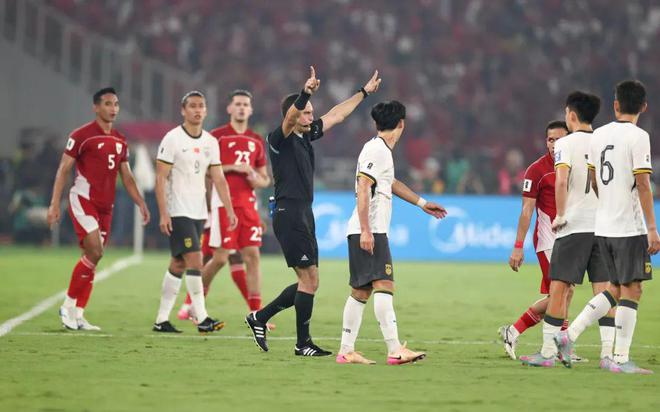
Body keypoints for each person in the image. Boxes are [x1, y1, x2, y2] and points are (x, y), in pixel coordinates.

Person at [244, 67, 381, 356]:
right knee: (309, 281)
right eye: (306, 113)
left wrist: (364, 92)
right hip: (289, 212)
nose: (311, 117)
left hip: (304, 212)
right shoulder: (278, 140)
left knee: (309, 281)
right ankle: (302, 343)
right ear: (293, 115)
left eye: (311, 113)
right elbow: (290, 118)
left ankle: (260, 318)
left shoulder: (306, 136)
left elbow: (336, 115)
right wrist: (305, 92)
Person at [554, 80, 659, 374]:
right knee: (633, 289)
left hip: (604, 226)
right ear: (644, 107)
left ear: (616, 105)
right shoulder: (639, 137)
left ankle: (568, 335)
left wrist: (609, 204)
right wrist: (652, 228)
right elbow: (643, 184)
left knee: (614, 288)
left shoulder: (598, 135)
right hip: (628, 227)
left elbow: (594, 180)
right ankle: (621, 359)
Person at [336, 101, 447, 365]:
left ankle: (346, 350)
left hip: (365, 229)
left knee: (360, 292)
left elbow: (390, 182)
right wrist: (366, 230)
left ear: (377, 123)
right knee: (384, 285)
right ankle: (395, 349)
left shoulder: (380, 150)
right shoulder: (377, 150)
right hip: (370, 230)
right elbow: (364, 186)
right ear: (401, 124)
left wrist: (422, 203)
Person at [521, 91, 614, 367]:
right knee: (604, 291)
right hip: (602, 226)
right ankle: (608, 355)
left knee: (559, 288)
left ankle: (548, 353)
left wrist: (561, 214)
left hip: (574, 226)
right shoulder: (604, 141)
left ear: (571, 115)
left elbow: (561, 181)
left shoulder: (565, 143)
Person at [47, 87, 150, 331]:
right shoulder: (81, 135)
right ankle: (67, 305)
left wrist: (140, 202)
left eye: (116, 104)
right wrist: (54, 203)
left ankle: (79, 314)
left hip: (106, 206)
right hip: (84, 200)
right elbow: (64, 169)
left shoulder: (120, 140)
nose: (113, 108)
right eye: (107, 104)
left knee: (93, 257)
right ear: (96, 107)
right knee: (95, 251)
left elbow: (127, 176)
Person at [177, 90, 270, 322]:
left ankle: (256, 314)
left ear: (250, 110)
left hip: (248, 207)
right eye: (237, 104)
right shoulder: (216, 137)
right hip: (222, 205)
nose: (241, 108)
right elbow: (205, 169)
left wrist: (256, 180)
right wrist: (233, 168)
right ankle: (193, 302)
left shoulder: (256, 140)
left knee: (253, 256)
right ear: (229, 108)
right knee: (219, 258)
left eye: (245, 104)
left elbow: (265, 178)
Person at [152, 91, 237, 333]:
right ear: (183, 110)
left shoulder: (210, 142)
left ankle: (161, 320)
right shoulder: (172, 139)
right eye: (192, 106)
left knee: (178, 264)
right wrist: (164, 213)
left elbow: (218, 178)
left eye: (201, 106)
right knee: (196, 260)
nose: (197, 110)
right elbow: (160, 178)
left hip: (199, 212)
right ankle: (201, 318)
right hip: (178, 210)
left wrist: (229, 209)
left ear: (206, 110)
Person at [498, 121, 569, 359]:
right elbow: (527, 210)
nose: (554, 144)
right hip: (548, 240)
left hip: (571, 239)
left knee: (563, 294)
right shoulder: (537, 170)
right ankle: (560, 348)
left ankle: (514, 331)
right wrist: (518, 246)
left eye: (560, 139)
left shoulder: (575, 165)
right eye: (551, 139)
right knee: (561, 293)